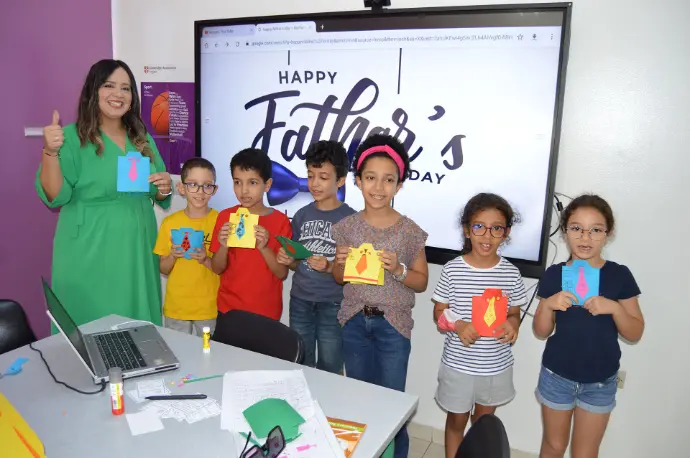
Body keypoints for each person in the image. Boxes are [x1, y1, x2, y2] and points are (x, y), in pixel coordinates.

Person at [36, 59, 172, 327]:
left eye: (125, 88)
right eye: (109, 85)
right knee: (92, 321)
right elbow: (54, 195)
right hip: (90, 246)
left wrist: (163, 186)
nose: (118, 94)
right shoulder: (71, 137)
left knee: (135, 324)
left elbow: (158, 190)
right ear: (93, 90)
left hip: (137, 246)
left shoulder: (141, 137)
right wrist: (50, 151)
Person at [332, 134, 429, 458]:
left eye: (388, 180)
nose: (378, 187)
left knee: (392, 403)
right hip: (353, 322)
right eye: (371, 178)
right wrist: (340, 264)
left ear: (399, 186)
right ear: (358, 181)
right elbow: (338, 277)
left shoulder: (409, 230)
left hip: (393, 326)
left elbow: (421, 281)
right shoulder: (347, 227)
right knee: (359, 398)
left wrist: (399, 269)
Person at [533, 194, 644, 458]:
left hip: (600, 381)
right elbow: (541, 331)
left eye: (595, 230)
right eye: (576, 228)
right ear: (565, 231)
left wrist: (615, 308)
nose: (585, 237)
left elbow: (635, 332)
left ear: (608, 233)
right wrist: (548, 305)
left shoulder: (619, 275)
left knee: (585, 452)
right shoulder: (554, 274)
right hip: (556, 376)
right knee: (554, 446)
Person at [431, 193, 527, 458]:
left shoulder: (511, 273)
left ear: (506, 233)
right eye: (479, 226)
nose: (487, 235)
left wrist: (513, 325)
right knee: (456, 423)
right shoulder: (452, 270)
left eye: (496, 228)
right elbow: (439, 313)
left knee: (483, 426)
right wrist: (458, 325)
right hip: (458, 366)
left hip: (494, 367)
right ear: (467, 230)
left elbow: (515, 312)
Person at [276, 140, 355, 374]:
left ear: (340, 180)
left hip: (333, 303)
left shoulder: (351, 220)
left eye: (323, 177)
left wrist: (329, 266)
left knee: (330, 364)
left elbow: (352, 271)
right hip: (300, 299)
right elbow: (297, 262)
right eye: (311, 176)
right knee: (300, 360)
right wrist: (288, 259)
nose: (314, 183)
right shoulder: (301, 215)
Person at [210, 148, 292, 327]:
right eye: (237, 182)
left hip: (266, 312)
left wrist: (264, 247)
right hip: (229, 309)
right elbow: (216, 268)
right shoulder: (226, 217)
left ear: (267, 185)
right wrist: (223, 245)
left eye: (252, 182)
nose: (244, 190)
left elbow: (282, 273)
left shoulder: (281, 221)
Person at [153, 158, 219, 335]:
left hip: (209, 308)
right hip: (177, 307)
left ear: (214, 189)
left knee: (208, 350)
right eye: (193, 184)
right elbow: (163, 269)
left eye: (207, 185)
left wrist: (206, 259)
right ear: (181, 188)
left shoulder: (220, 222)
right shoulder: (170, 223)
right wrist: (172, 256)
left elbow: (223, 268)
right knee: (178, 349)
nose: (200, 191)